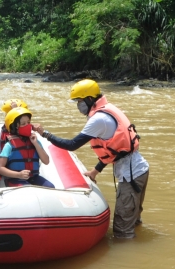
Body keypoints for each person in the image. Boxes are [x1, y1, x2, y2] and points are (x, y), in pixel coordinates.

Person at [35, 79, 149, 239]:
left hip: (131, 175)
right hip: (139, 169)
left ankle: (132, 258)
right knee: (134, 220)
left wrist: (45, 134)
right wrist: (96, 171)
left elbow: (72, 144)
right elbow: (115, 149)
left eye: (79, 101)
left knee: (122, 231)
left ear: (89, 99)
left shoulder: (98, 119)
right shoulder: (107, 109)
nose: (78, 105)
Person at [0, 107, 54, 188]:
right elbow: (0, 168)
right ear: (15, 127)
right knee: (28, 189)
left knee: (50, 187)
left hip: (33, 178)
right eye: (23, 124)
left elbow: (46, 161)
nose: (27, 126)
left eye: (28, 122)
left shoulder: (35, 141)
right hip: (15, 178)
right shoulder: (9, 145)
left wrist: (36, 144)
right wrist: (19, 174)